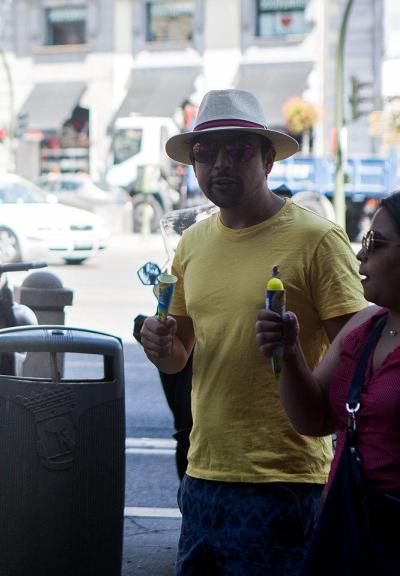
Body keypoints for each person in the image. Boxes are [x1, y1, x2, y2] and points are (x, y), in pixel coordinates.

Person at [140, 89, 366, 575]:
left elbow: (360, 353)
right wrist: (159, 346)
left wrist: (295, 357)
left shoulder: (317, 240)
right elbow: (179, 353)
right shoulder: (192, 242)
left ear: (268, 160)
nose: (221, 163)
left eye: (239, 149)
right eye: (206, 152)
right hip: (203, 473)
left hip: (285, 479)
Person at [255, 192, 400, 569]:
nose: (360, 255)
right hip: (348, 532)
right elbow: (313, 419)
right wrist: (289, 352)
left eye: (376, 243)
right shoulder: (364, 327)